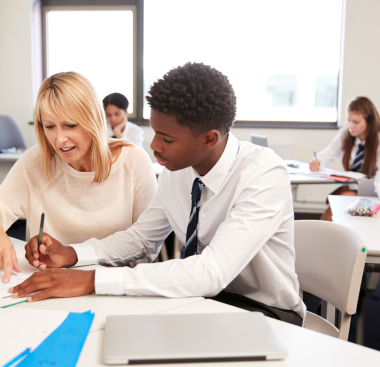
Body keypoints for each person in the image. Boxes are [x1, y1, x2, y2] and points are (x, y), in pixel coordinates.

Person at [10, 63, 305, 326]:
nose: (154, 146)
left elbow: (212, 272)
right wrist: (74, 253)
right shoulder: (177, 173)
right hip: (199, 301)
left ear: (209, 139)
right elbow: (140, 239)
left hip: (265, 313)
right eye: (154, 132)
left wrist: (92, 279)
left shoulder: (263, 174)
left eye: (167, 138)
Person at [0, 72, 157, 283]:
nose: (59, 139)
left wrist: (81, 267)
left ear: (93, 120)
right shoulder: (35, 161)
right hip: (50, 286)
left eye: (70, 125)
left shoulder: (134, 161)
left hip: (117, 287)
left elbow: (148, 247)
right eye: (49, 126)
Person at [309, 96, 380, 221]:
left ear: (369, 122)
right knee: (340, 201)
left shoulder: (378, 140)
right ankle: (322, 235)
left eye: (356, 122)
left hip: (373, 193)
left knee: (343, 199)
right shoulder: (345, 134)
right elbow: (328, 153)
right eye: (348, 120)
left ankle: (322, 235)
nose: (350, 126)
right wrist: (316, 162)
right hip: (352, 188)